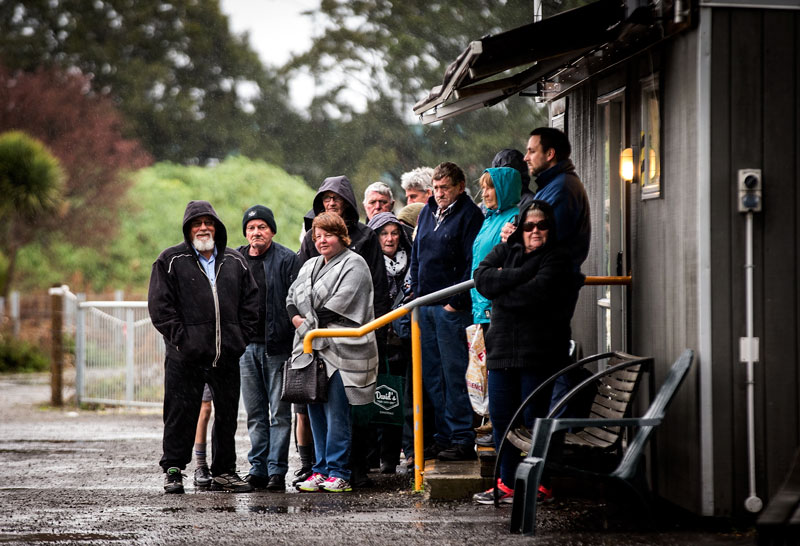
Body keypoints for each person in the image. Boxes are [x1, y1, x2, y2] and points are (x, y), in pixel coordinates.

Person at [472, 200, 583, 505]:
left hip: (540, 353)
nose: (535, 231)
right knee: (503, 419)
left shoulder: (559, 258)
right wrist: (521, 277)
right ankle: (506, 482)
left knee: (536, 421)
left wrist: (502, 290)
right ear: (521, 228)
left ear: (551, 228)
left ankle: (540, 483)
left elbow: (539, 294)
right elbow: (482, 278)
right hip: (501, 351)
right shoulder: (508, 249)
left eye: (542, 225)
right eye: (529, 226)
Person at [148, 200, 258, 494]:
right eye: (197, 223)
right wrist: (184, 341)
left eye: (208, 222)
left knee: (226, 416)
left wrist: (239, 339)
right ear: (188, 229)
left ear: (217, 227)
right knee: (179, 414)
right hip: (185, 357)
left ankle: (224, 471)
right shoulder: (170, 260)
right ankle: (173, 470)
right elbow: (160, 308)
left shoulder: (235, 261)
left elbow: (251, 304)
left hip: (226, 356)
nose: (203, 228)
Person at [297, 175, 390, 487]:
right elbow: (292, 297)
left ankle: (340, 471)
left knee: (340, 413)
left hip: (344, 347)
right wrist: (298, 318)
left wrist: (303, 319)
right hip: (313, 347)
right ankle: (321, 469)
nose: (321, 240)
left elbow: (337, 305)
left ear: (343, 235)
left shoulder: (357, 260)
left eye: (328, 235)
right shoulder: (310, 262)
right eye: (317, 235)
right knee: (317, 411)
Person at [409, 162, 484, 461]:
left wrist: (455, 302)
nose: (440, 194)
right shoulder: (427, 211)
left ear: (460, 186)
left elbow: (472, 262)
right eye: (436, 188)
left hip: (452, 308)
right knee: (432, 375)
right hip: (424, 305)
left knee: (454, 373)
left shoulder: (470, 216)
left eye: (446, 188)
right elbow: (417, 256)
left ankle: (462, 437)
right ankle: (443, 435)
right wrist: (415, 292)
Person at [236, 205, 300, 492]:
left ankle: (277, 470)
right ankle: (257, 468)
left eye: (262, 227)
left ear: (272, 230)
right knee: (255, 414)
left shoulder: (287, 259)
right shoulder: (235, 259)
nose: (256, 232)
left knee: (280, 414)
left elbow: (296, 299)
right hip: (245, 348)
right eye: (251, 228)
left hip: (278, 348)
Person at [367, 211, 413, 472]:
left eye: (394, 232)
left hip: (404, 340)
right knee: (376, 398)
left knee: (400, 398)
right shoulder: (368, 263)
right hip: (377, 338)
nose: (390, 238)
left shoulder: (410, 262)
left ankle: (393, 457)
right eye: (383, 233)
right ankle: (373, 457)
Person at [192, 385, 213, 488]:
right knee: (205, 408)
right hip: (204, 369)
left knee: (224, 409)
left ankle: (224, 469)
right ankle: (201, 465)